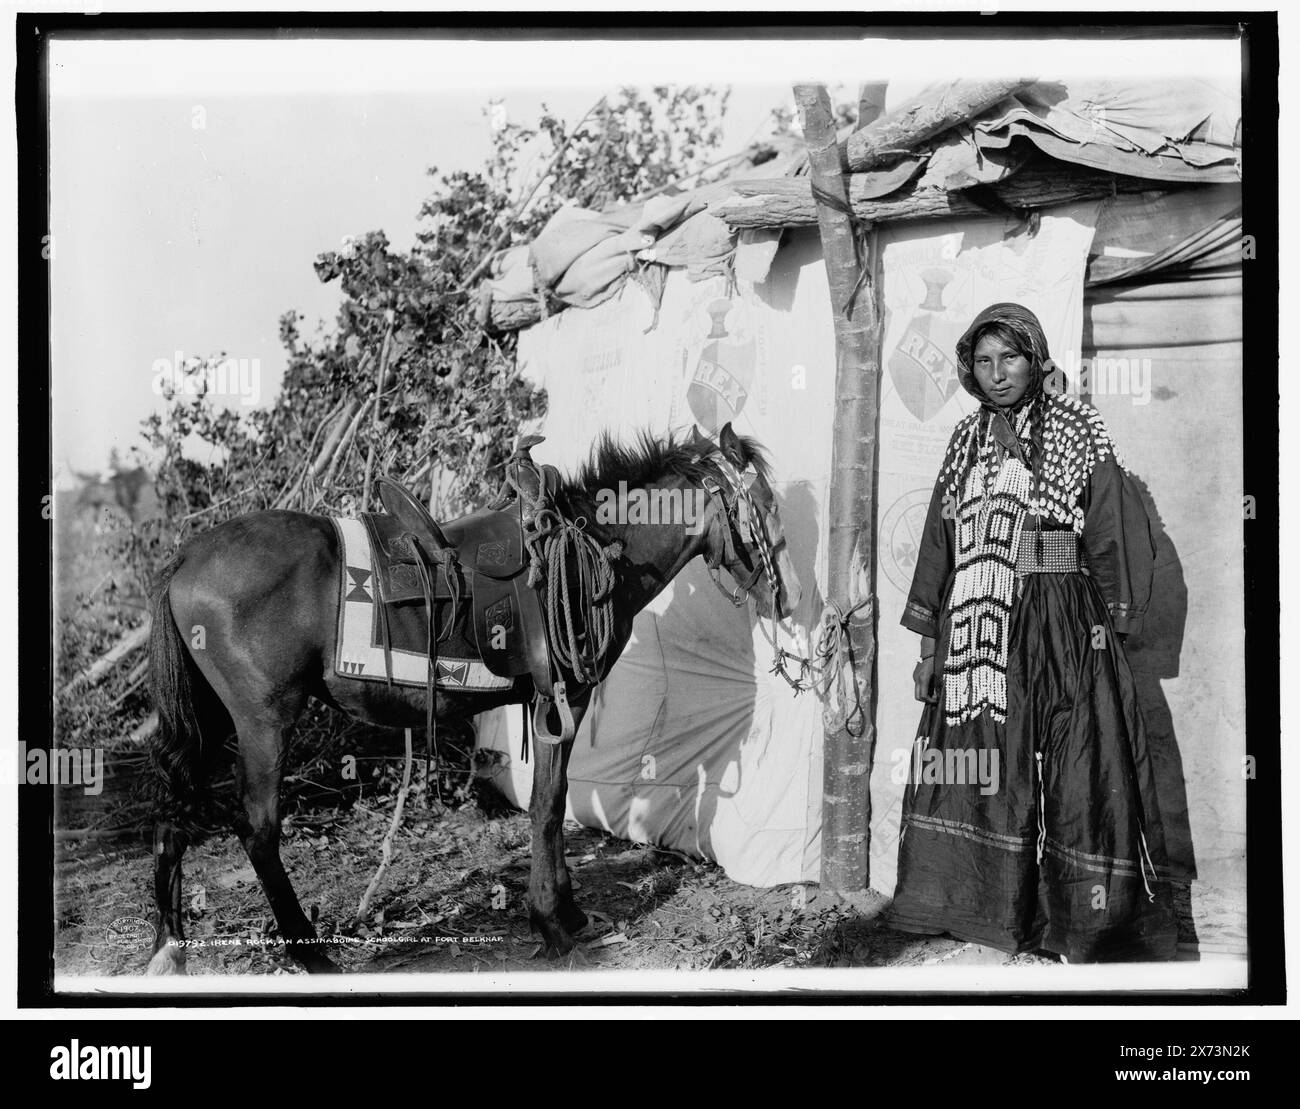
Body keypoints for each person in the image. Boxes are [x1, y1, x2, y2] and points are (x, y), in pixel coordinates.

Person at [886, 301, 1177, 962]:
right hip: (980, 628)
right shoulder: (964, 440)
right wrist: (931, 645)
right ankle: (981, 906)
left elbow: (1110, 522)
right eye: (983, 361)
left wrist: (1114, 621)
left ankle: (1085, 920)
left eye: (1008, 358)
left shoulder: (1077, 425)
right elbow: (940, 540)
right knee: (985, 759)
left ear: (1035, 357)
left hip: (1062, 610)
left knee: (1080, 759)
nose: (997, 373)